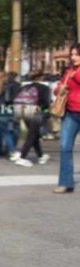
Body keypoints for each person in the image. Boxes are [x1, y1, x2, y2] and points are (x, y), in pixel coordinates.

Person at [54, 43, 80, 194]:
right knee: (65, 147)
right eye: (72, 55)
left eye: (77, 54)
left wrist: (74, 74)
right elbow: (59, 89)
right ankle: (65, 183)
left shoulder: (74, 72)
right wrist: (59, 89)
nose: (73, 57)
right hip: (70, 113)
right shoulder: (69, 71)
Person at [13, 70, 51, 167]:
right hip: (34, 111)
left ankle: (41, 156)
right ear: (41, 77)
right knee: (32, 135)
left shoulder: (24, 87)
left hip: (22, 111)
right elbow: (46, 102)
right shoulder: (44, 88)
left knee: (34, 134)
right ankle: (22, 157)